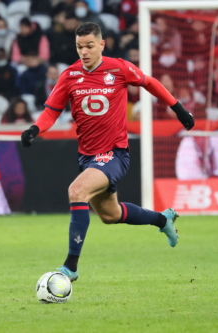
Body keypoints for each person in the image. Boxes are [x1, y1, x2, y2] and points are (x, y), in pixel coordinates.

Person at [20, 22, 194, 282]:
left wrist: (178, 108)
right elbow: (51, 112)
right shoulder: (69, 75)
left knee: (77, 191)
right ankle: (162, 219)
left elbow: (150, 82)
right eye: (80, 47)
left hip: (114, 153)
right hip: (88, 156)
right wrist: (34, 129)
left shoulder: (119, 67)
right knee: (110, 215)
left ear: (102, 44)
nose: (84, 52)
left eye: (89, 46)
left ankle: (71, 266)